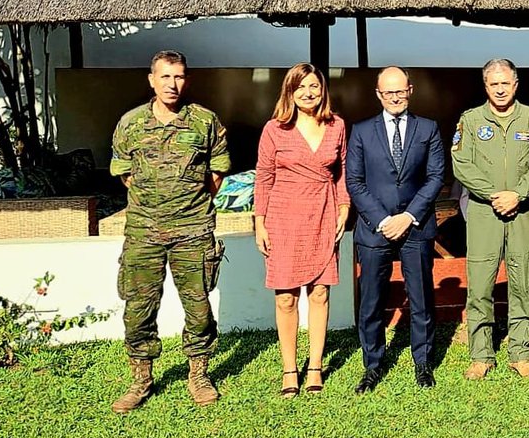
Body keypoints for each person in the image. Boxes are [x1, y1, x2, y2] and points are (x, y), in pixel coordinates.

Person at [109, 50, 229, 413]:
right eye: (165, 77)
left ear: (186, 80)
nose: (172, 84)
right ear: (152, 80)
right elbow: (125, 175)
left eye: (178, 77)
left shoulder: (204, 122)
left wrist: (185, 204)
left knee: (198, 308)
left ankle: (199, 374)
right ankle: (141, 378)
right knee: (139, 308)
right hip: (144, 232)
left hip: (192, 230)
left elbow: (217, 174)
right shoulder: (130, 123)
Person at [345, 66, 446, 393]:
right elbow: (355, 182)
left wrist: (409, 216)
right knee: (372, 301)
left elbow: (435, 178)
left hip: (415, 228)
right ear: (378, 94)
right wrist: (383, 219)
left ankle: (423, 362)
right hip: (376, 230)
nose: (395, 97)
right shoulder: (361, 131)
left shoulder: (427, 128)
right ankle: (372, 364)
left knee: (421, 299)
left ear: (410, 90)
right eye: (389, 92)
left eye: (400, 91)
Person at [452, 58, 529, 379]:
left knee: (522, 280)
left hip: (521, 212)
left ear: (515, 85)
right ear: (485, 86)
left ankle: (521, 352)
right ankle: (481, 355)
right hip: (485, 212)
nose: (499, 89)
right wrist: (496, 193)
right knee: (480, 283)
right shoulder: (470, 120)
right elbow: (461, 163)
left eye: (504, 83)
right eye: (493, 84)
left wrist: (518, 194)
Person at [253, 63, 349, 396]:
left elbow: (342, 173)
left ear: (323, 90)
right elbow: (263, 177)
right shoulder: (274, 129)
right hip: (283, 217)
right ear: (289, 92)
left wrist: (344, 208)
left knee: (320, 292)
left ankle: (315, 367)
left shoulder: (337, 126)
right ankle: (289, 369)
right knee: (286, 297)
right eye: (300, 87)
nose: (308, 93)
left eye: (314, 86)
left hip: (322, 213)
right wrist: (259, 222)